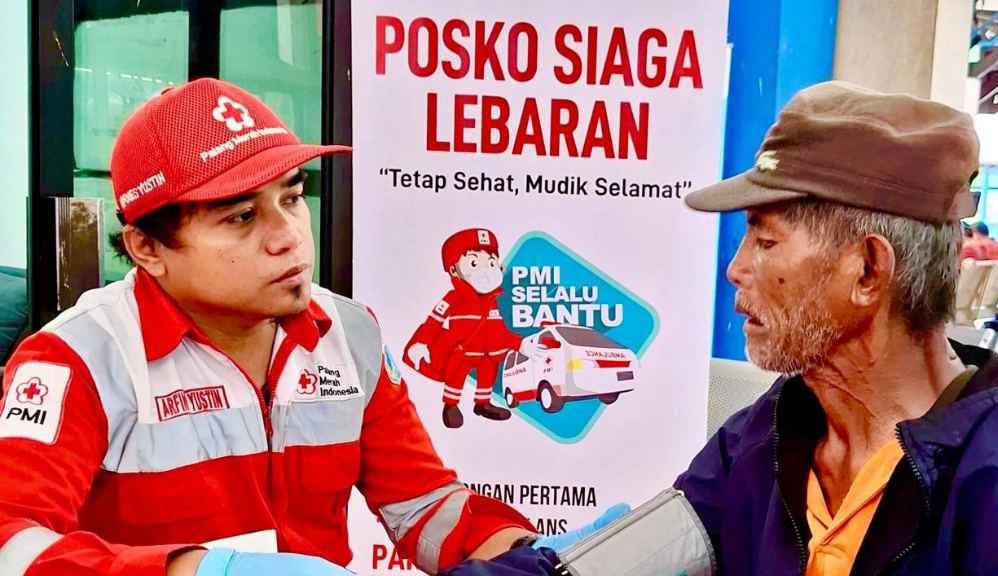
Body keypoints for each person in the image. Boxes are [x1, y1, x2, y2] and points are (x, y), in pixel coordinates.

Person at [0, 79, 622, 576]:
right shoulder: (78, 359)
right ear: (148, 248)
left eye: (293, 198)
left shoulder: (349, 333)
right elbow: (12, 543)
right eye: (242, 217)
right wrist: (196, 569)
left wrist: (533, 556)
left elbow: (425, 506)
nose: (289, 237)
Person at [438, 82, 998, 576]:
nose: (736, 269)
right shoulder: (764, 438)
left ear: (867, 270)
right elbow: (598, 568)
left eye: (765, 241)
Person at [404, 229, 540, 428]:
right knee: (456, 374)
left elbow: (500, 331)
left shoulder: (493, 301)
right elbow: (434, 321)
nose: (486, 271)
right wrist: (421, 343)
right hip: (462, 351)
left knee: (488, 372)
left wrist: (520, 344)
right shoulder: (453, 298)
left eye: (491, 263)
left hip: (488, 352)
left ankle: (483, 404)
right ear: (454, 270)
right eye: (474, 263)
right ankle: (451, 405)